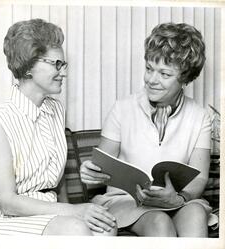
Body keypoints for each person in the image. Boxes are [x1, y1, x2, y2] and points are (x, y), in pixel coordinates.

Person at [0, 19, 117, 236]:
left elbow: (57, 183)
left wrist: (72, 212)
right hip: (2, 217)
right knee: (76, 229)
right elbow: (8, 203)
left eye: (64, 64)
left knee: (106, 227)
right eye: (56, 64)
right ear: (29, 66)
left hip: (48, 211)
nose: (64, 73)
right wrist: (74, 212)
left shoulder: (56, 110)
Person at [80, 22, 212, 237]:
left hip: (177, 201)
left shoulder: (199, 117)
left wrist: (180, 198)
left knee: (196, 213)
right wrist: (91, 171)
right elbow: (102, 166)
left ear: (185, 78)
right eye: (149, 69)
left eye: (165, 74)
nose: (152, 80)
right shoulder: (122, 109)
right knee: (159, 221)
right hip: (126, 202)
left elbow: (199, 177)